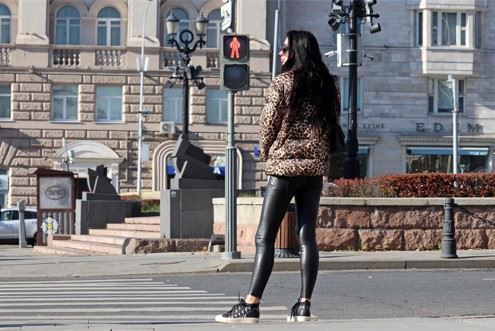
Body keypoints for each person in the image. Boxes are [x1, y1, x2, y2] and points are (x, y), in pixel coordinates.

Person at [215, 30, 341, 324]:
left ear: (295, 51)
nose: (281, 54)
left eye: (284, 49)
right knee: (307, 237)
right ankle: (303, 305)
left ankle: (251, 304)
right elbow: (333, 123)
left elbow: (268, 124)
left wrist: (265, 151)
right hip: (313, 171)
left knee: (264, 237)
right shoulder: (328, 86)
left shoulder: (283, 83)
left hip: (284, 169)